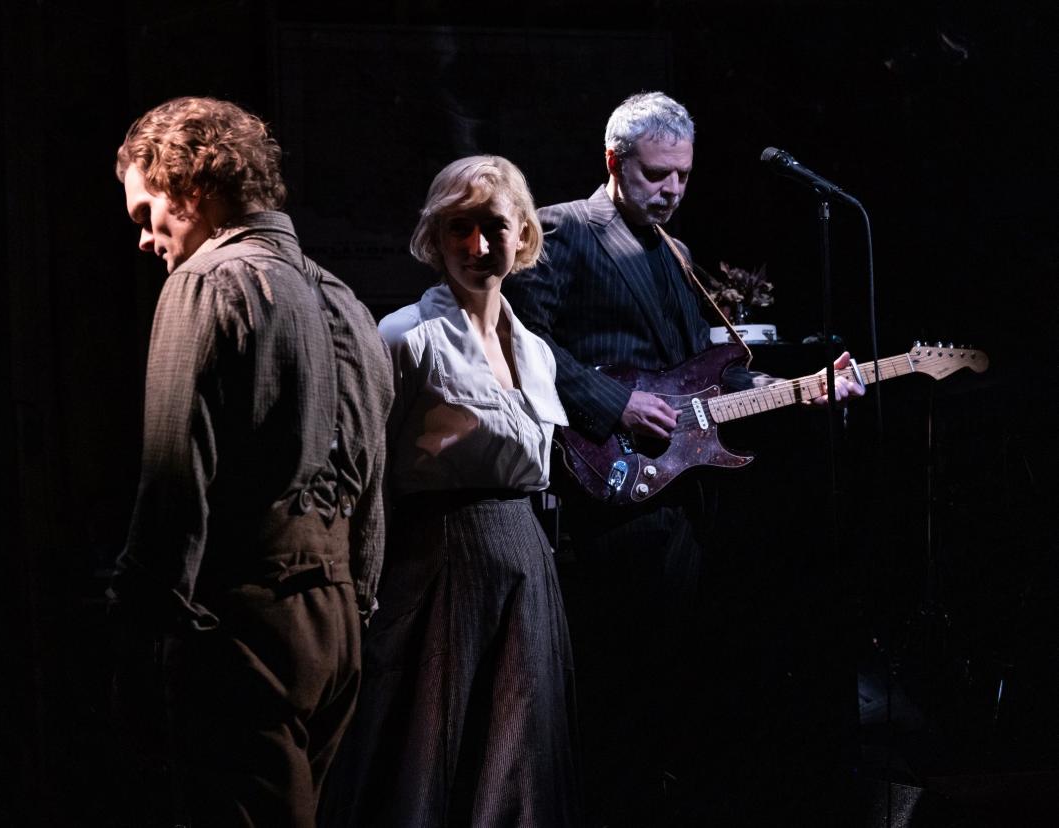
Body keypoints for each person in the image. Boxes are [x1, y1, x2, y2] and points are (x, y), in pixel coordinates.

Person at [502, 91, 863, 825]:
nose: (670, 190)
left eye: (683, 177)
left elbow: (703, 368)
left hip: (678, 499)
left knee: (672, 689)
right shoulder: (563, 232)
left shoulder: (677, 253)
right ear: (614, 162)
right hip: (604, 486)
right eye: (656, 174)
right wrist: (611, 403)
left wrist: (793, 391)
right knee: (614, 690)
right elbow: (519, 345)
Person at [107, 96, 393, 828]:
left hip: (244, 622)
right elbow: (370, 488)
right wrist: (353, 606)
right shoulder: (348, 302)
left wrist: (142, 619)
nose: (143, 239)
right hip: (337, 629)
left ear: (192, 184)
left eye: (147, 214)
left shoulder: (206, 282)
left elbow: (175, 476)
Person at [320, 156, 580, 827]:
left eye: (492, 226)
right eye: (457, 228)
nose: (476, 246)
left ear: (522, 233)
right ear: (434, 238)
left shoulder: (538, 353)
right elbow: (363, 470)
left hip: (525, 568)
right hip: (437, 570)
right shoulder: (407, 336)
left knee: (518, 757)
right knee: (432, 759)